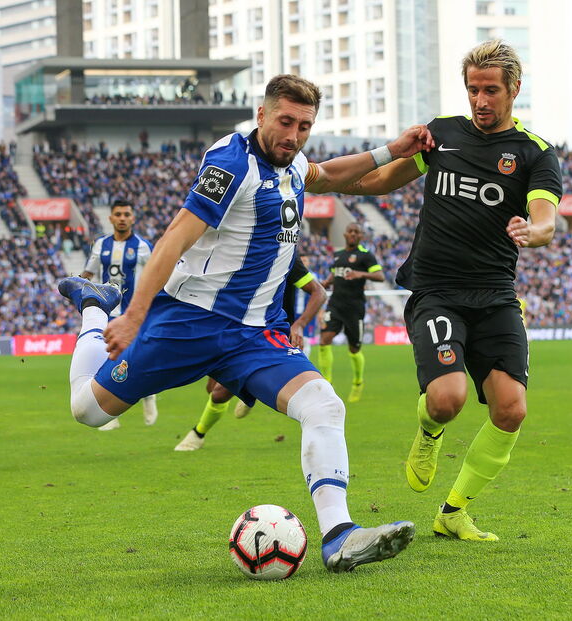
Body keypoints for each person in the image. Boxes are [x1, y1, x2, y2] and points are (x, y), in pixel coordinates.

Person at [57, 74, 433, 572]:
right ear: (261, 115)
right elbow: (173, 239)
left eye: (304, 126)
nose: (293, 135)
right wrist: (130, 315)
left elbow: (329, 175)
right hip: (189, 323)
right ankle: (92, 303)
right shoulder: (230, 163)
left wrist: (392, 150)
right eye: (284, 122)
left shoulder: (293, 160)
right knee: (88, 411)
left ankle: (339, 536)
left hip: (256, 334)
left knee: (324, 405)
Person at [335, 40, 563, 541]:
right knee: (447, 398)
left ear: (514, 90)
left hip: (496, 294)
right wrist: (321, 179)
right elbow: (378, 183)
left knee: (512, 409)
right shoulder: (441, 135)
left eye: (491, 91)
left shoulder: (535, 154)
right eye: (473, 89)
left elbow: (547, 221)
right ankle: (429, 432)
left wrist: (533, 231)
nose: (480, 101)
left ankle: (454, 510)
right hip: (436, 290)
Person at [175, 250, 327, 450]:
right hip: (234, 331)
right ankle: (251, 390)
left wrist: (299, 324)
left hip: (269, 339)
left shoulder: (284, 254)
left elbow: (319, 292)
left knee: (220, 393)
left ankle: (197, 434)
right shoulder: (235, 251)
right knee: (211, 388)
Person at [80, 199, 158, 429]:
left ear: (133, 218)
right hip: (107, 313)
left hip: (133, 314)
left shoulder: (143, 246)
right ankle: (107, 414)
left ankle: (148, 396)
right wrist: (78, 288)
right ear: (111, 218)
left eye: (126, 214)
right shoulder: (101, 245)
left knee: (136, 360)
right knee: (103, 361)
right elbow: (88, 274)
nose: (122, 218)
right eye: (118, 214)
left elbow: (157, 273)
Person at [317, 222, 384, 402]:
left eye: (356, 232)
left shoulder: (365, 256)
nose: (353, 234)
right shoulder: (338, 255)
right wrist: (326, 282)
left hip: (354, 309)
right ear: (345, 234)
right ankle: (327, 383)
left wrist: (361, 274)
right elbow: (335, 274)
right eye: (350, 231)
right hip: (335, 305)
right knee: (324, 340)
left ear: (361, 236)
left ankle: (357, 382)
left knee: (354, 349)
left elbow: (380, 276)